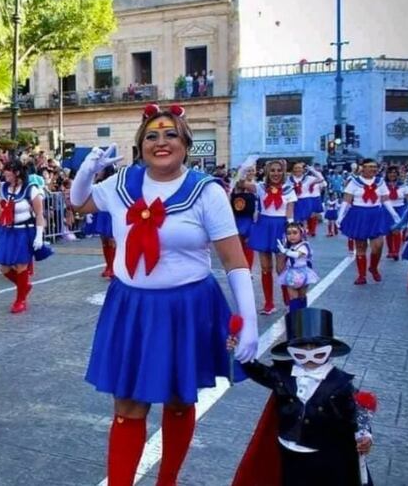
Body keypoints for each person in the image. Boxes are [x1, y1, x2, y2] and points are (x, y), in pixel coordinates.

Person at [70, 103, 259, 486]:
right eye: (152, 135)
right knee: (127, 402)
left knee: (177, 398)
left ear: (186, 143)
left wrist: (250, 320)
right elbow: (79, 203)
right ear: (140, 145)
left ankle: (167, 480)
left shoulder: (207, 192)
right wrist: (87, 172)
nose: (161, 142)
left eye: (171, 134)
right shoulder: (121, 184)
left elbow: (233, 260)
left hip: (186, 308)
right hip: (131, 307)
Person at [229, 308, 373, 486]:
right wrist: (240, 350)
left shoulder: (340, 384)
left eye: (318, 352)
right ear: (292, 351)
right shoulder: (283, 375)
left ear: (329, 351)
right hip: (288, 451)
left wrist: (364, 435)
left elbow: (358, 413)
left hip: (322, 456)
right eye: (301, 353)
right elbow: (259, 372)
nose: (309, 358)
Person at [0, 159, 49, 314]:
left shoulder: (31, 190)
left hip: (24, 231)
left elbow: (39, 214)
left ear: (16, 173)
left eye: (8, 171)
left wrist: (39, 235)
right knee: (3, 267)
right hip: (6, 231)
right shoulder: (2, 189)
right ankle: (24, 286)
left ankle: (20, 300)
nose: (4, 174)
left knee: (21, 265)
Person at [244, 160, 297, 314]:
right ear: (267, 172)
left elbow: (290, 213)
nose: (276, 173)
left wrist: (290, 233)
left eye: (279, 170)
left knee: (281, 268)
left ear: (283, 172)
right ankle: (269, 303)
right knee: (266, 268)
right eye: (272, 170)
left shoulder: (289, 189)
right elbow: (239, 182)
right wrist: (246, 166)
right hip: (263, 227)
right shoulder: (260, 188)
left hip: (281, 228)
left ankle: (288, 298)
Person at [337, 158, 401, 285]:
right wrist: (340, 216)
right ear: (363, 168)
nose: (373, 169)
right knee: (360, 246)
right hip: (359, 214)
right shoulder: (354, 182)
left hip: (376, 214)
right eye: (370, 166)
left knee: (378, 246)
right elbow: (346, 200)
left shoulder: (380, 182)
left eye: (374, 167)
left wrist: (394, 215)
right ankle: (362, 275)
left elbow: (385, 199)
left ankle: (373, 267)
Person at [276, 222, 318, 313]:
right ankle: (294, 318)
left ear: (301, 233)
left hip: (303, 273)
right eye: (289, 233)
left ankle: (303, 317)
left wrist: (285, 251)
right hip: (290, 273)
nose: (292, 236)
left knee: (302, 296)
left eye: (295, 233)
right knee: (293, 298)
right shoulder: (289, 246)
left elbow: (297, 255)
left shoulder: (304, 246)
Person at [231, 166, 258, 270]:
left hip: (250, 218)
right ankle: (240, 268)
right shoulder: (236, 185)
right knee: (238, 246)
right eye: (248, 170)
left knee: (248, 245)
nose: (250, 172)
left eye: (252, 170)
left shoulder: (257, 185)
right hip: (237, 218)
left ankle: (248, 269)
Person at [383, 166, 408, 260]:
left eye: (395, 172)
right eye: (390, 172)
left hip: (400, 209)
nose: (392, 174)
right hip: (387, 209)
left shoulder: (403, 185)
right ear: (387, 174)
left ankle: (396, 252)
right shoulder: (382, 185)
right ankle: (390, 251)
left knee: (396, 230)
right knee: (388, 231)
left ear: (397, 174)